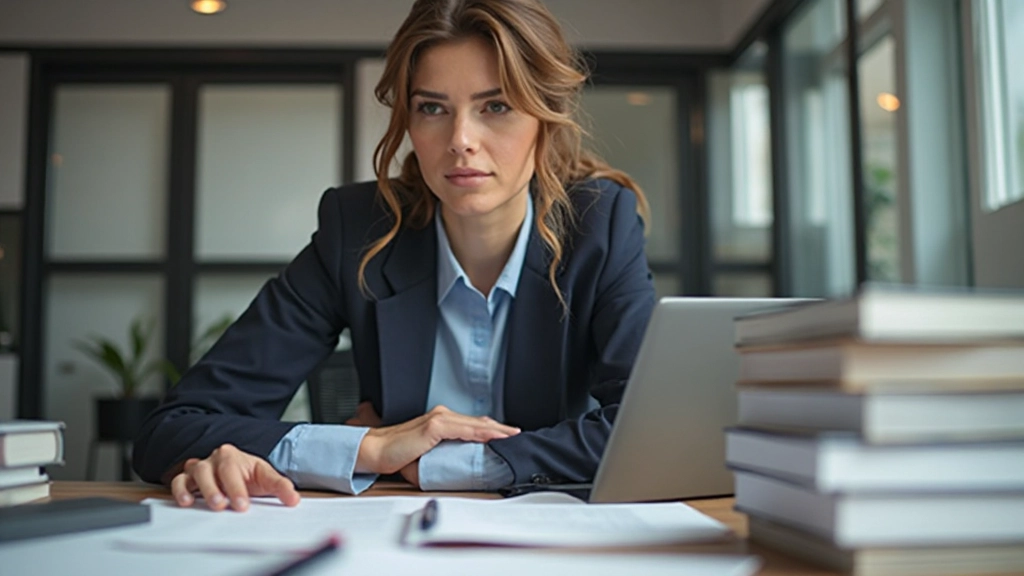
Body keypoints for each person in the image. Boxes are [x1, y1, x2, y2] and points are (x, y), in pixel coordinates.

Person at [133, 0, 655, 512]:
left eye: (495, 106)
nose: (461, 140)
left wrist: (441, 465)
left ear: (545, 117)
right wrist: (371, 450)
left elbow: (649, 427)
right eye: (433, 108)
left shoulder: (599, 227)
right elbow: (172, 429)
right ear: (408, 120)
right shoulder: (358, 229)